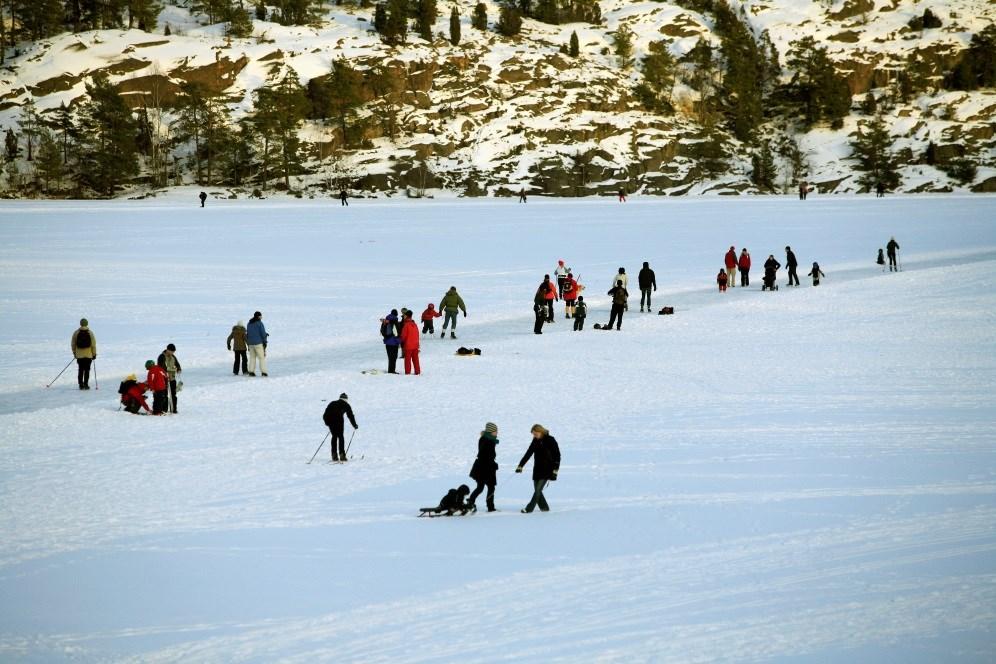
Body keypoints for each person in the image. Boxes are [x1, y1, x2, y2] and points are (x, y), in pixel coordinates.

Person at [515, 424, 560, 513]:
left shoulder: (550, 440)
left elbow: (557, 455)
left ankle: (529, 508)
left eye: (535, 434)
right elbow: (528, 453)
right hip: (537, 468)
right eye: (533, 434)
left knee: (538, 489)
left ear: (540, 431)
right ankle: (545, 508)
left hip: (548, 468)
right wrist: (520, 465)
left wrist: (555, 470)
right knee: (537, 490)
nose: (534, 436)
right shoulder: (535, 441)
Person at [468, 422, 499, 512]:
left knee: (484, 487)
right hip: (484, 468)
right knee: (488, 487)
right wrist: (493, 464)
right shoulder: (488, 441)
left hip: (483, 467)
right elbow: (486, 455)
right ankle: (490, 507)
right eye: (496, 431)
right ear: (491, 431)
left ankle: (472, 501)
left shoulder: (487, 439)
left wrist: (492, 463)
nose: (497, 433)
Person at [323, 392, 358, 462]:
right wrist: (354, 425)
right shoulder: (346, 405)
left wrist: (328, 423)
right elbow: (350, 416)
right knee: (341, 437)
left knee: (334, 437)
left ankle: (334, 455)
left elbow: (325, 415)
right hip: (339, 422)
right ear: (346, 399)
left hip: (331, 422)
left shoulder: (332, 403)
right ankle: (342, 455)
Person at [71, 318, 96, 390]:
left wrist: (74, 353)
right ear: (87, 324)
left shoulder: (76, 333)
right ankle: (86, 384)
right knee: (87, 370)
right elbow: (93, 345)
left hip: (79, 355)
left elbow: (73, 344)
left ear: (80, 323)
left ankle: (81, 385)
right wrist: (94, 354)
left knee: (80, 369)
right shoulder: (90, 333)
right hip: (88, 355)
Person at [157, 343, 182, 414]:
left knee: (173, 394)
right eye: (172, 351)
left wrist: (179, 369)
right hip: (164, 379)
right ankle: (164, 409)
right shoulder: (161, 357)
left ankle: (173, 409)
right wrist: (168, 371)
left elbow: (177, 364)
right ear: (168, 350)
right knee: (164, 394)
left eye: (173, 352)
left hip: (172, 379)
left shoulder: (173, 357)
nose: (172, 353)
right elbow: (161, 368)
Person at [246, 311, 268, 376]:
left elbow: (248, 333)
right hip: (258, 343)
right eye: (261, 316)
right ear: (258, 316)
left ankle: (251, 371)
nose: (261, 317)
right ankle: (264, 372)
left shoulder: (249, 323)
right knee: (261, 358)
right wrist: (265, 341)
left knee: (252, 358)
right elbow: (263, 333)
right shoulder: (259, 323)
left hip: (251, 344)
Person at [399, 309, 421, 375]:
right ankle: (417, 371)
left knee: (407, 360)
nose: (404, 316)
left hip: (408, 346)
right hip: (415, 345)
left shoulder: (406, 325)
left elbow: (403, 336)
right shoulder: (414, 324)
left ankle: (407, 372)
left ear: (406, 316)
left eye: (404, 315)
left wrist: (400, 342)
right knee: (416, 359)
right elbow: (417, 334)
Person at [381, 309, 401, 374]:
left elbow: (382, 331)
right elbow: (397, 333)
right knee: (394, 357)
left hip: (387, 342)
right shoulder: (395, 322)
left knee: (390, 357)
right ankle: (392, 371)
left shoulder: (386, 321)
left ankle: (390, 370)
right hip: (394, 343)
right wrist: (399, 342)